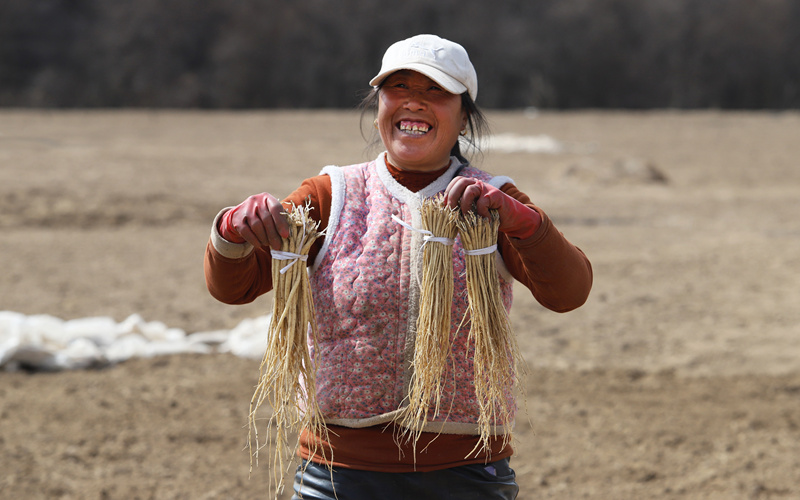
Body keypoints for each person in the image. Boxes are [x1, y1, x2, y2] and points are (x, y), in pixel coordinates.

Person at [204, 34, 592, 500]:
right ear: (379, 102)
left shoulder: (491, 203)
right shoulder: (332, 195)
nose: (414, 103)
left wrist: (523, 221)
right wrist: (232, 230)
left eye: (435, 92)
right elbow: (235, 287)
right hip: (338, 472)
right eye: (399, 88)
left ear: (464, 115)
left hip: (466, 472)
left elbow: (568, 292)